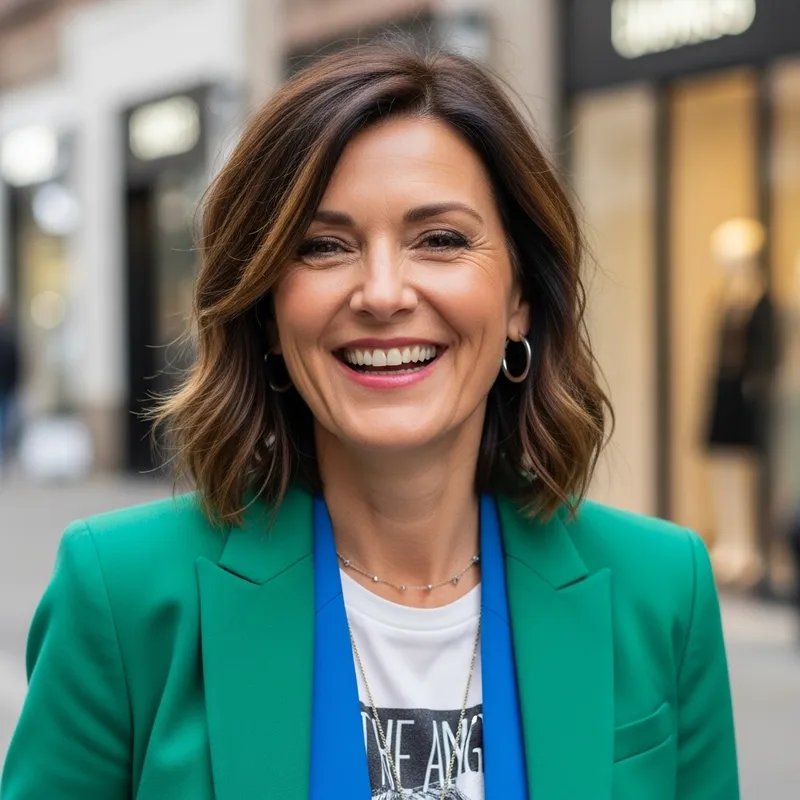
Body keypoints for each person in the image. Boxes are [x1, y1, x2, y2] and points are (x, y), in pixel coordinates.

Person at [1, 44, 739, 799]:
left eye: (441, 240)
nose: (383, 292)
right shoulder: (123, 598)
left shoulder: (661, 591)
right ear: (266, 309)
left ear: (520, 295)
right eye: (324, 246)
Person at [0, 302, 19, 474]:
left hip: (5, 385)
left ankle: (2, 452)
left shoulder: (8, 336)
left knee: (4, 420)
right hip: (6, 384)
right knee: (3, 420)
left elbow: (14, 361)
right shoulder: (8, 336)